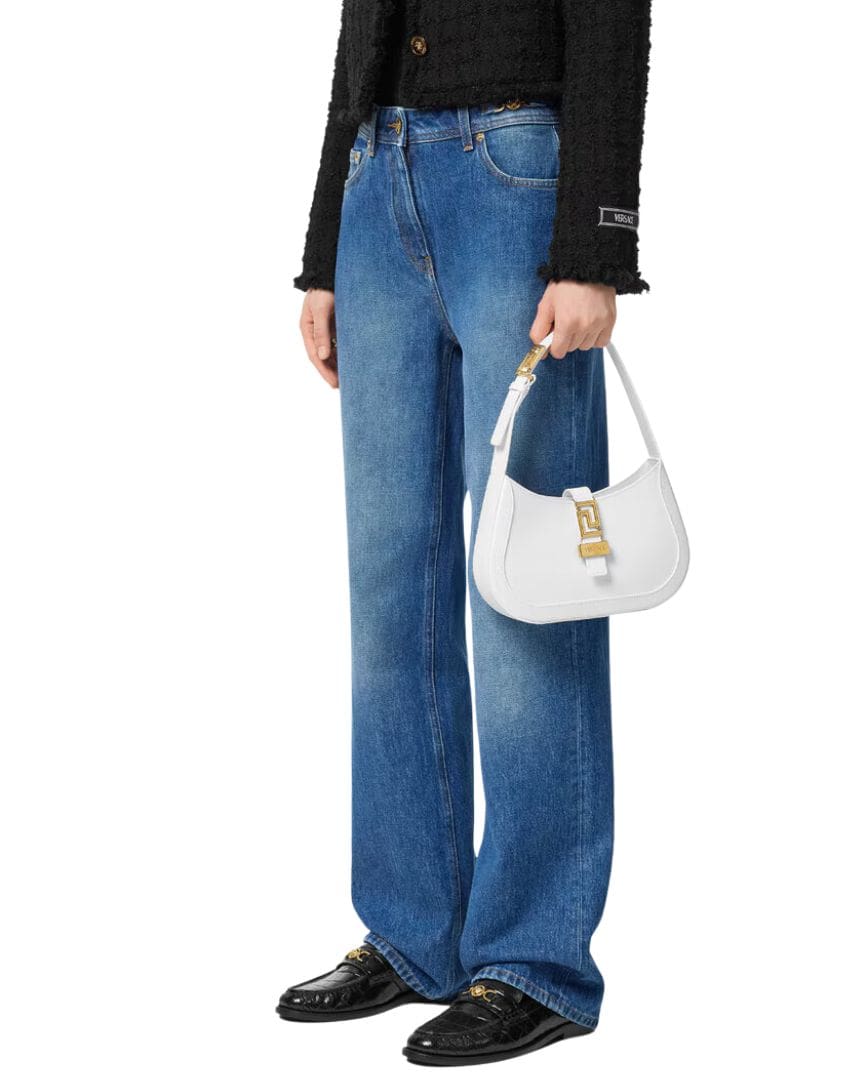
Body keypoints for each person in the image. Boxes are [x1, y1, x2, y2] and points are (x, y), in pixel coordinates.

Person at [278, 0, 652, 1067]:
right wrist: (323, 251)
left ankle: (534, 961)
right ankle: (412, 932)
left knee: (530, 587)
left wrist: (595, 244)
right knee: (388, 592)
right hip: (377, 175)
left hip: (513, 176)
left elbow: (612, 17)